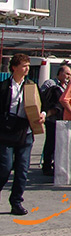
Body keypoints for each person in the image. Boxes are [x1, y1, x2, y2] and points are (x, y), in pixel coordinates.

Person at [0, 54, 45, 216]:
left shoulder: (31, 85)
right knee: (4, 168)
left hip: (25, 132)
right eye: (24, 65)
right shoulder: (4, 86)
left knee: (22, 170)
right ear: (14, 67)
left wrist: (43, 114)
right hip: (6, 131)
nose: (27, 68)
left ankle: (16, 202)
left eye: (28, 65)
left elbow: (43, 104)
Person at [41, 64, 71, 176]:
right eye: (67, 73)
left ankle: (57, 164)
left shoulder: (67, 86)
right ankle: (47, 165)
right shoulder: (50, 83)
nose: (68, 76)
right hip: (51, 118)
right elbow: (43, 97)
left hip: (62, 118)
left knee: (60, 143)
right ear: (60, 73)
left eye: (70, 74)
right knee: (50, 142)